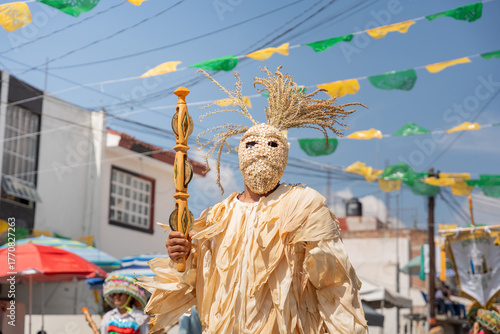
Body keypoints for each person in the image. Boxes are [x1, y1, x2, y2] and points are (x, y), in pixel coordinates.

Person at [140, 67, 368, 333]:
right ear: (239, 154)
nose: (262, 153)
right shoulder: (216, 216)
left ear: (284, 155)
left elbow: (334, 284)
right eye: (251, 145)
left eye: (273, 145)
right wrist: (183, 256)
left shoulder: (305, 206)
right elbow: (195, 282)